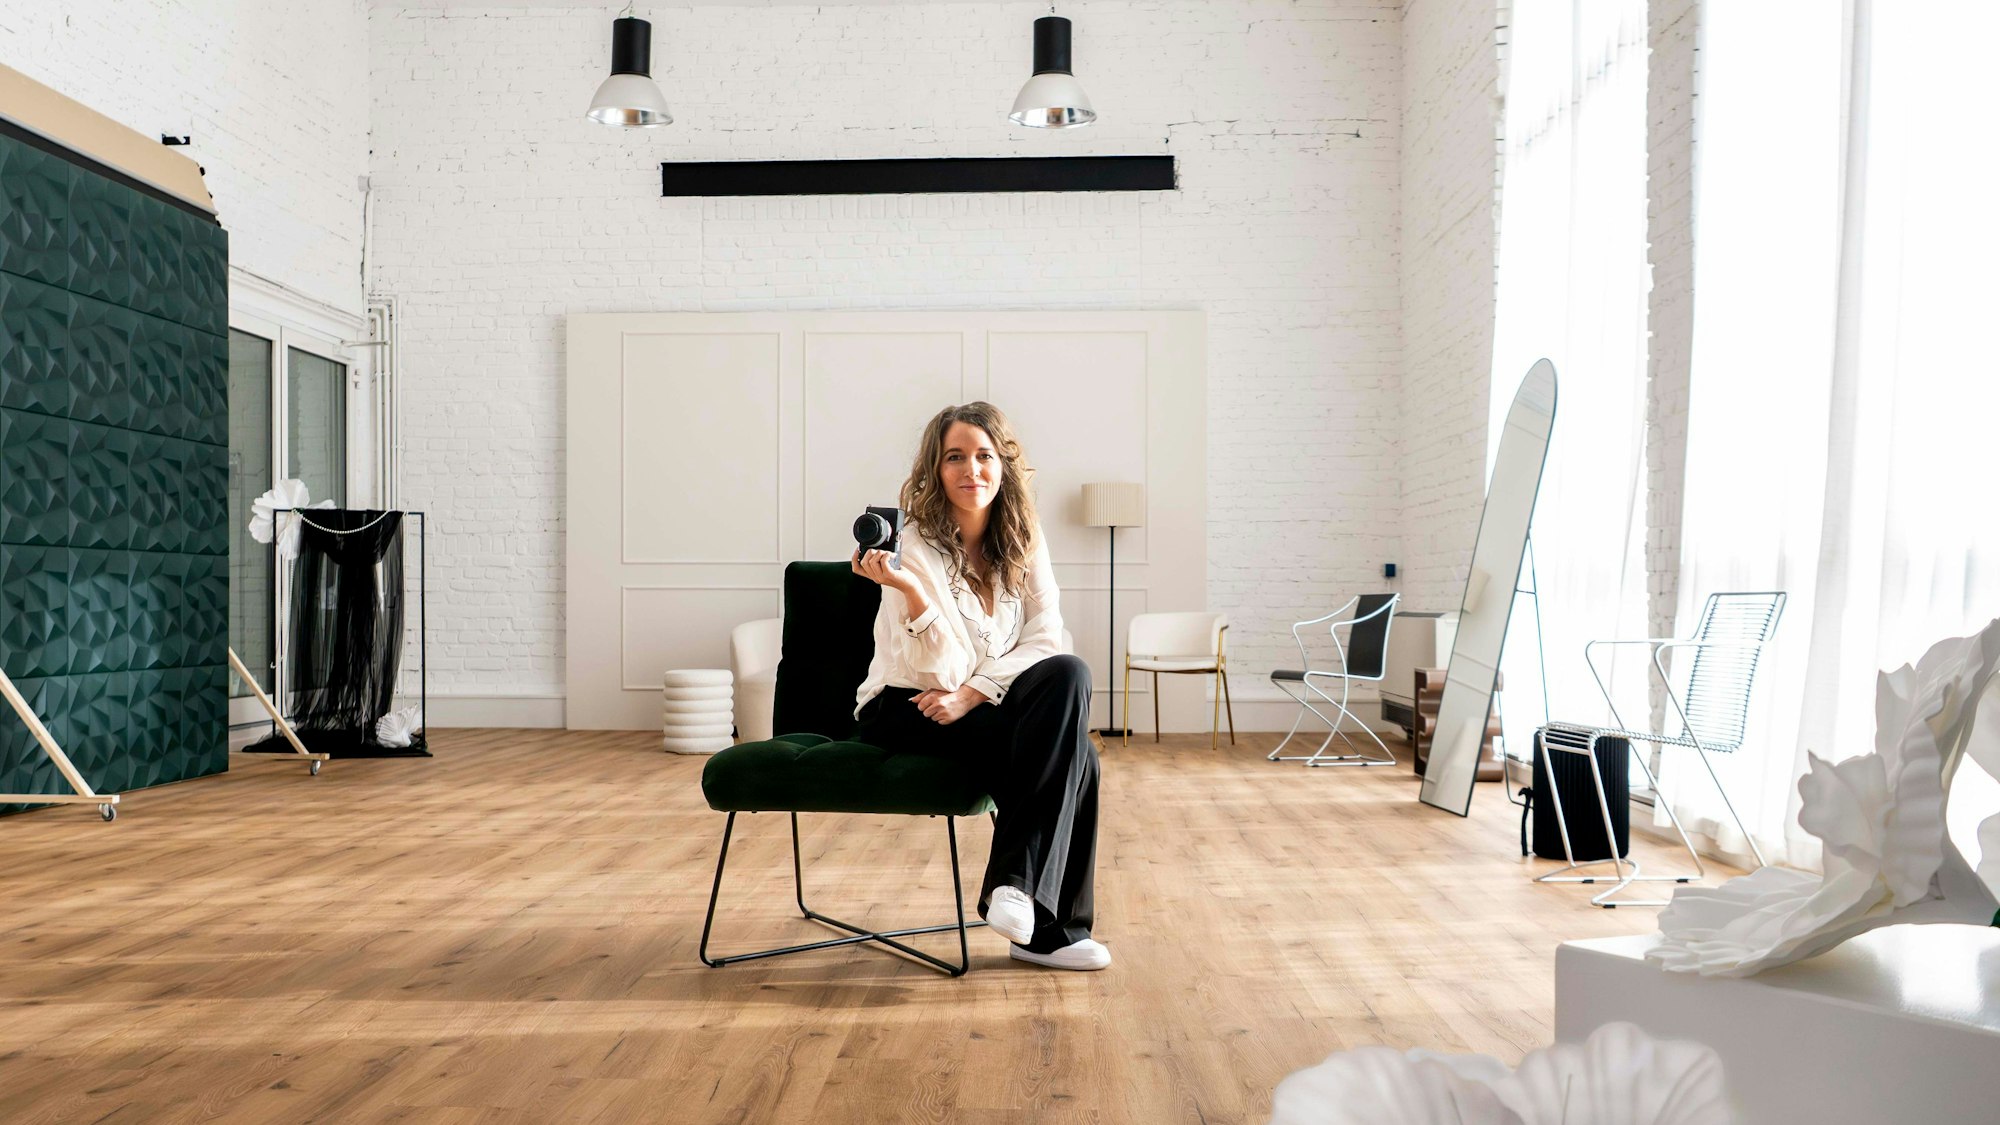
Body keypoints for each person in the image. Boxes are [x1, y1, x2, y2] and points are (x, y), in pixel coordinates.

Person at [849, 402, 1107, 971]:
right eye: (955, 457)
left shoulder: (1023, 538)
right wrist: (913, 594)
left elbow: (1049, 637)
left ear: (1004, 464)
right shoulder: (911, 546)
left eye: (985, 456)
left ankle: (1016, 890)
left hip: (973, 699)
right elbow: (942, 671)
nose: (972, 470)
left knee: (1071, 672)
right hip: (906, 704)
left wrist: (975, 693)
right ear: (936, 471)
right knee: (1078, 754)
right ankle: (1049, 932)